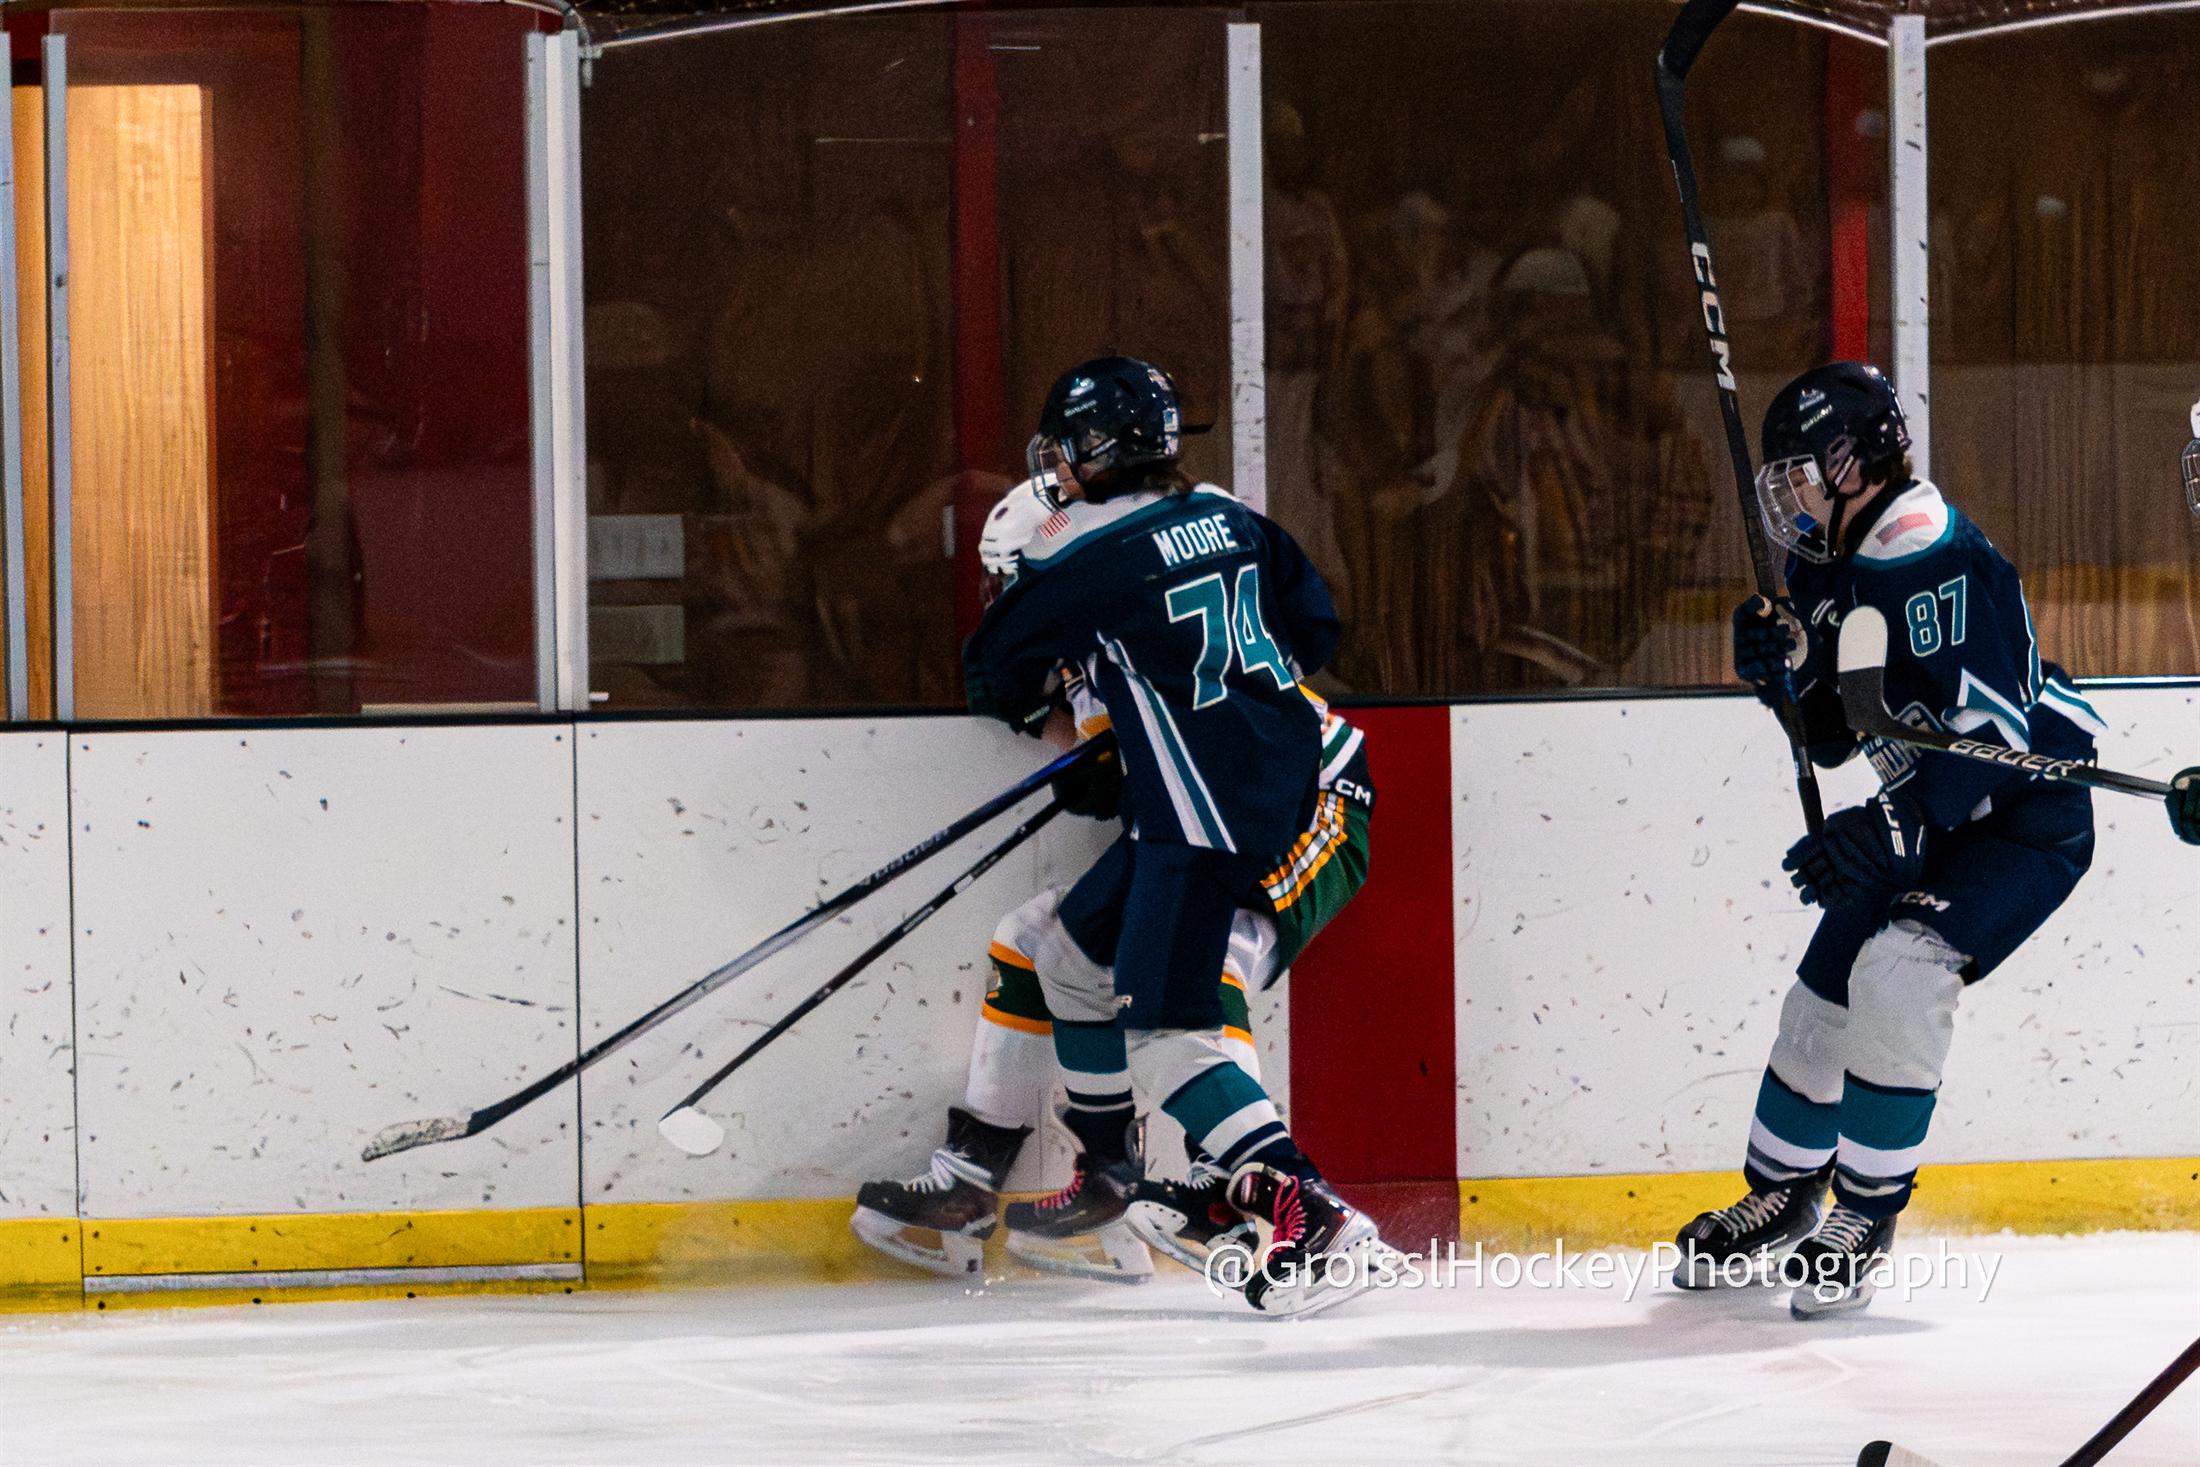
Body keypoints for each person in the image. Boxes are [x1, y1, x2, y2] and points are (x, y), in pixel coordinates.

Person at [934, 356, 1385, 1315]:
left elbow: (993, 669)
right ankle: (1114, 1193)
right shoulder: (1224, 513)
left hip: (1265, 809)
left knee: (1173, 1025)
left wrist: (1093, 734)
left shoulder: (1084, 558)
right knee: (1065, 953)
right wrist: (1157, 731)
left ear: (1085, 453)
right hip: (1223, 792)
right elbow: (1314, 625)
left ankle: (1311, 1215)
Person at [1673, 362, 2109, 1318]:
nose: (1786, 496)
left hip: (2023, 821)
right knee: (1821, 993)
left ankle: (1863, 1218)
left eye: (1798, 473)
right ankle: (1783, 1191)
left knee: (1898, 977)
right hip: (1931, 811)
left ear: (1850, 461)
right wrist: (1779, 679)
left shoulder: (1934, 554)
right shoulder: (1828, 560)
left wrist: (1888, 825)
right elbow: (1836, 734)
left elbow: (1992, 736)